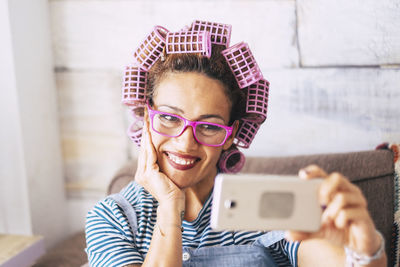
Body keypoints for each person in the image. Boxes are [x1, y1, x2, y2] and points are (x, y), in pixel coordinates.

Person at [85, 20, 387, 267]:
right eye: (169, 118)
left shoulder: (261, 205)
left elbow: (334, 260)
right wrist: (169, 205)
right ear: (146, 115)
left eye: (208, 126)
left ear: (232, 133)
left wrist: (365, 250)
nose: (186, 142)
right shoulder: (113, 218)